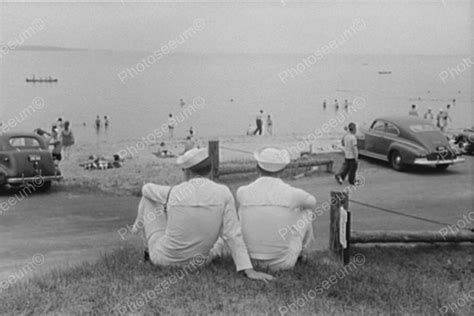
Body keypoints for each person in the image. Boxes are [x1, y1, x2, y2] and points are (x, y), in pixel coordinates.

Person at [131, 148, 274, 282]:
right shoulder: (223, 192)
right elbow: (233, 234)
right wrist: (248, 270)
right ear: (210, 170)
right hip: (199, 262)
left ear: (187, 172)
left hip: (163, 259)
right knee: (220, 240)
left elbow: (146, 189)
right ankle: (139, 232)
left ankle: (145, 250)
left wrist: (139, 223)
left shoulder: (173, 192)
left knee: (148, 199)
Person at [233, 147, 316, 270]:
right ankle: (302, 253)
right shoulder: (292, 193)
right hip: (282, 263)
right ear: (282, 170)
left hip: (248, 260)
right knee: (306, 212)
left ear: (257, 168)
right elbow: (312, 202)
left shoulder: (243, 191)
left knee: (244, 209)